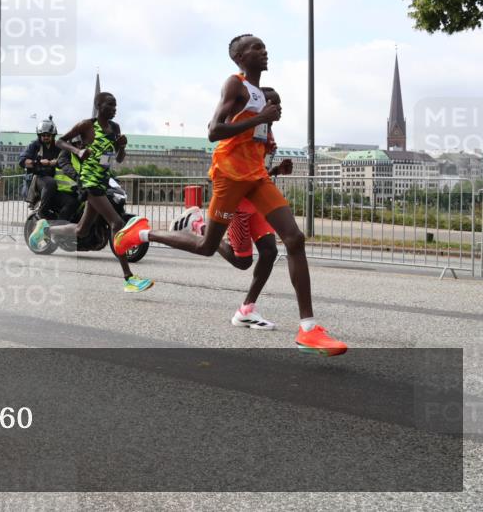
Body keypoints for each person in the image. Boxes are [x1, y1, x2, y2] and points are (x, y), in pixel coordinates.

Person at [115, 35, 347, 355]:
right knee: (208, 246)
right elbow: (213, 131)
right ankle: (141, 233)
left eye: (265, 46)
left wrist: (274, 159)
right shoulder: (235, 85)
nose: (263, 51)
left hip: (256, 178)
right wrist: (261, 118)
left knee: (294, 239)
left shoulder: (260, 97)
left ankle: (308, 329)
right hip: (229, 177)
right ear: (239, 57)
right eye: (255, 47)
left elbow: (253, 140)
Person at [173, 87, 292, 331]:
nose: (279, 110)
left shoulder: (267, 134)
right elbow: (230, 158)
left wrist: (277, 170)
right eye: (275, 104)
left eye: (281, 105)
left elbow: (255, 172)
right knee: (242, 262)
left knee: (269, 252)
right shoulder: (243, 127)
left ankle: (247, 309)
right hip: (238, 203)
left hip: (255, 203)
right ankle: (199, 225)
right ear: (261, 105)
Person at [30, 92, 153, 293]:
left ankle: (46, 229)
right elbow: (61, 142)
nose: (115, 109)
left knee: (81, 230)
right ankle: (128, 278)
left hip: (103, 181)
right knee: (117, 223)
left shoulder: (115, 128)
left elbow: (119, 159)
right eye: (110, 105)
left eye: (116, 105)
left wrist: (122, 147)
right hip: (89, 181)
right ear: (98, 106)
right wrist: (77, 151)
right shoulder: (86, 125)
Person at [19, 118, 61, 219]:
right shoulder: (34, 146)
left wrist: (58, 162)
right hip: (37, 178)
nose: (46, 137)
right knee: (50, 183)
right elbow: (22, 161)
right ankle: (42, 212)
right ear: (39, 135)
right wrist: (39, 162)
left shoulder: (57, 147)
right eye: (43, 135)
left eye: (48, 135)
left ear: (53, 135)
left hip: (54, 178)